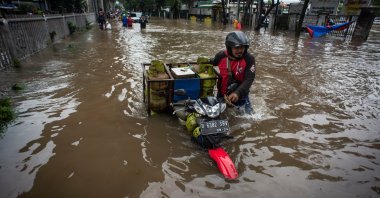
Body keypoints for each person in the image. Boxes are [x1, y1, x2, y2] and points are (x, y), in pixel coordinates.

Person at [212, 31, 256, 115]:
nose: (240, 50)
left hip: (241, 95)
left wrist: (237, 93)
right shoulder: (221, 56)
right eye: (236, 48)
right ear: (229, 48)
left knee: (250, 118)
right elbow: (212, 63)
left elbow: (249, 79)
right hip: (222, 95)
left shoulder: (249, 59)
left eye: (242, 47)